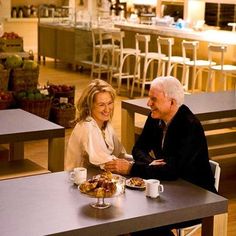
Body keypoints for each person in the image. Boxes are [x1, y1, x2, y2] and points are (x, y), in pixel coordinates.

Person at [104, 76, 217, 235]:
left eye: (153, 99)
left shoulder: (190, 127)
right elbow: (139, 148)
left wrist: (131, 168)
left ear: (171, 102)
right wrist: (150, 164)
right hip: (170, 189)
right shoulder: (155, 117)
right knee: (130, 216)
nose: (148, 103)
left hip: (196, 197)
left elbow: (172, 171)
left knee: (144, 223)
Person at [65, 79, 128, 171]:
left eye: (110, 103)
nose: (107, 109)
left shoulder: (106, 125)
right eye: (101, 105)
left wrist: (139, 162)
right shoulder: (87, 127)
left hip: (96, 176)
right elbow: (107, 162)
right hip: (79, 181)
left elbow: (120, 154)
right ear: (89, 106)